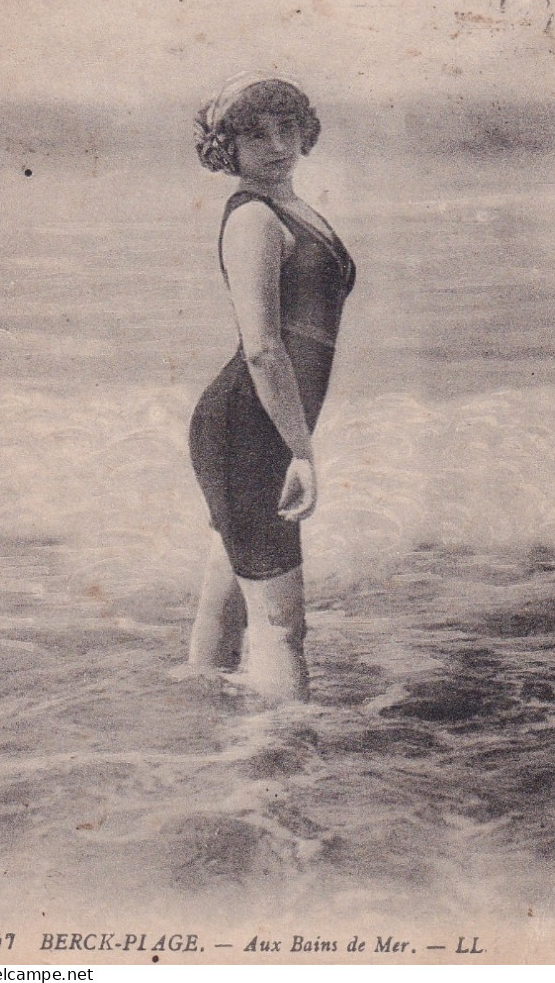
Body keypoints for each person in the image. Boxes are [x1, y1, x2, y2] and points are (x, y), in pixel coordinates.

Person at [187, 73, 356, 701]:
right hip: (248, 431)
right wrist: (301, 452)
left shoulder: (292, 206)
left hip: (251, 428)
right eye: (254, 134)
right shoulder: (253, 217)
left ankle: (204, 746)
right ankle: (284, 783)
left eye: (286, 127)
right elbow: (263, 349)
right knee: (283, 626)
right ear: (226, 146)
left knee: (226, 600)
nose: (276, 144)